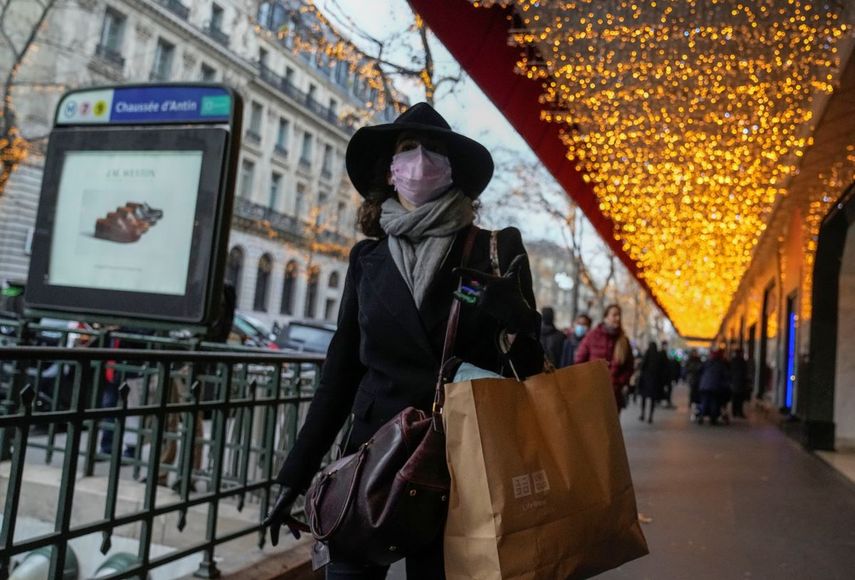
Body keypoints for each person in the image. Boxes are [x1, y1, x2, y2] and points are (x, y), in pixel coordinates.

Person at [262, 103, 545, 579]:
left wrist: (518, 318)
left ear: (453, 171)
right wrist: (295, 475)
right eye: (408, 148)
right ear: (389, 171)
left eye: (434, 149)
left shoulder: (494, 249)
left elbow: (529, 370)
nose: (420, 160)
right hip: (372, 458)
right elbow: (341, 372)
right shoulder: (366, 258)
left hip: (459, 459)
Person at [574, 304, 634, 411]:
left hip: (614, 397)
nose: (618, 318)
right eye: (614, 315)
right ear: (605, 317)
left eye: (619, 315)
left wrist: (618, 382)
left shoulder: (624, 341)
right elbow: (579, 360)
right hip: (592, 394)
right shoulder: (592, 336)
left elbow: (629, 367)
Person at [696, 349, 731, 425]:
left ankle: (701, 416)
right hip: (715, 387)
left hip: (704, 386)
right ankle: (713, 419)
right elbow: (726, 375)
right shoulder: (721, 364)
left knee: (704, 402)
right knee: (714, 402)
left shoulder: (707, 363)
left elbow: (699, 370)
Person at [638, 341, 661, 423]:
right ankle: (650, 416)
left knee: (643, 398)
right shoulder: (658, 355)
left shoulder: (647, 353)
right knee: (652, 399)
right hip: (654, 380)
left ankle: (643, 414)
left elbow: (642, 365)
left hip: (646, 379)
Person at [729, 348, 748, 418]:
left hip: (736, 382)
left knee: (736, 398)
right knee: (739, 398)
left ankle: (735, 412)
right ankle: (738, 412)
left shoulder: (733, 361)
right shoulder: (742, 362)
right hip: (739, 382)